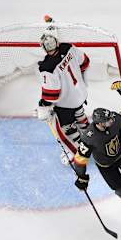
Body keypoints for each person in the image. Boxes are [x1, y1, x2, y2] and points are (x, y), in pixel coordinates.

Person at [73, 107, 121, 227]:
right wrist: (81, 177)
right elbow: (80, 160)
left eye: (110, 117)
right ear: (99, 123)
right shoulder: (89, 137)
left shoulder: (115, 120)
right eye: (107, 120)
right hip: (106, 166)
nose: (111, 120)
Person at [36, 26, 91, 164]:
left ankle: (81, 147)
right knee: (80, 114)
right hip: (81, 92)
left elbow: (52, 95)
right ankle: (90, 133)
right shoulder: (68, 48)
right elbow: (85, 62)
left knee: (66, 127)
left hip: (67, 103)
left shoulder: (47, 68)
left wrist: (43, 104)